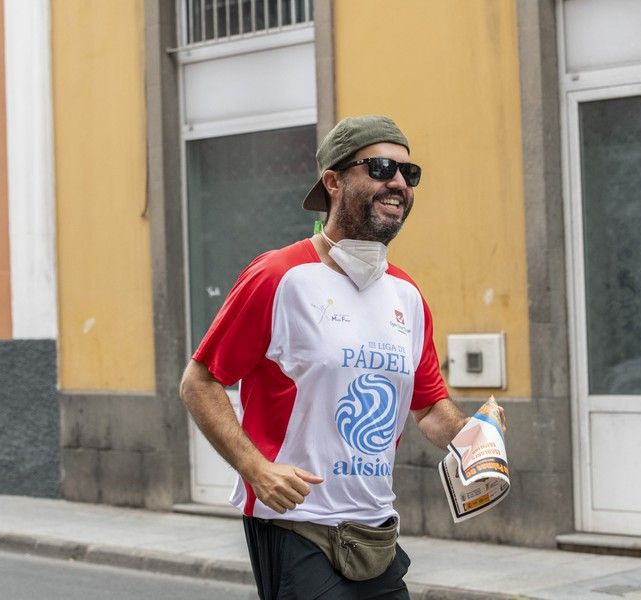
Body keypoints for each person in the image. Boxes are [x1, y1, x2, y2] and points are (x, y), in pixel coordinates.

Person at [179, 115, 498, 599]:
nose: (397, 183)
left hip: (376, 529)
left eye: (408, 174)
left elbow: (429, 408)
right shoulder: (279, 276)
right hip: (295, 525)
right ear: (333, 181)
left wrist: (475, 440)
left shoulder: (406, 295)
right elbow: (199, 382)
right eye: (381, 168)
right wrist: (256, 469)